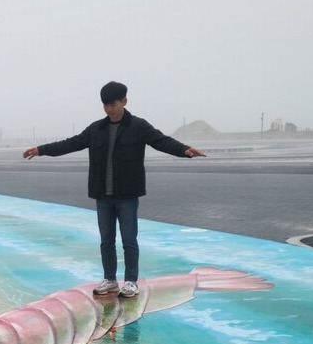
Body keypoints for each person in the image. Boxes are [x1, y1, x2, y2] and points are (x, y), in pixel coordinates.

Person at [23, 81, 205, 298]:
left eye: (113, 104)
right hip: (103, 195)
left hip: (127, 195)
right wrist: (41, 150)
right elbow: (70, 144)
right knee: (106, 240)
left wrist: (184, 150)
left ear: (124, 101)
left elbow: (161, 141)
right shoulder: (96, 129)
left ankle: (130, 281)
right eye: (105, 105)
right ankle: (110, 279)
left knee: (129, 239)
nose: (109, 109)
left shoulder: (138, 126)